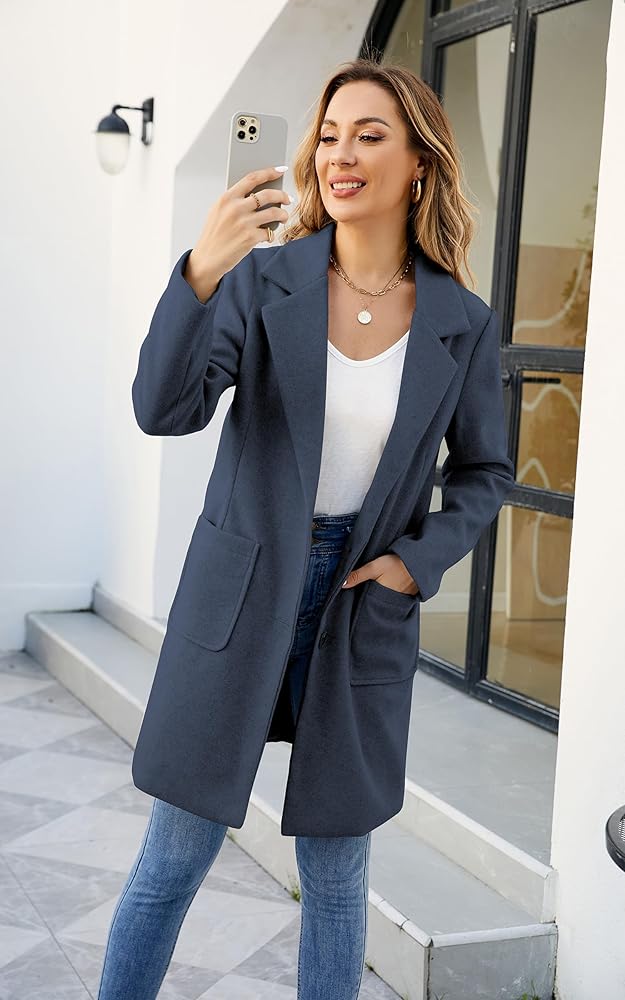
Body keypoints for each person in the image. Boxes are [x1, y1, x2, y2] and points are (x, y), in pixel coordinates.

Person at [97, 57, 514, 1000]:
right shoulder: (262, 281)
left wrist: (413, 564)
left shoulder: (460, 320)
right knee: (174, 857)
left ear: (419, 163)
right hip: (241, 589)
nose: (340, 155)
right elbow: (163, 409)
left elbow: (485, 473)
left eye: (369, 135)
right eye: (329, 136)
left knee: (335, 875)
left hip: (361, 597)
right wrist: (201, 271)